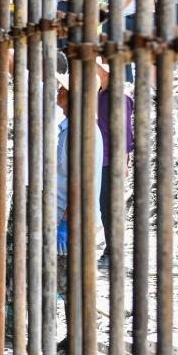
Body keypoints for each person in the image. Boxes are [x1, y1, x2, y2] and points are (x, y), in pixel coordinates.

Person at [56, 72, 104, 260]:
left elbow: (83, 180)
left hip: (74, 221)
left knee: (67, 286)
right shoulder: (69, 128)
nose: (59, 89)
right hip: (65, 216)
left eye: (65, 88)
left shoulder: (82, 130)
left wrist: (68, 221)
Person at [95, 58, 134, 267]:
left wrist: (124, 162)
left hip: (111, 160)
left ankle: (114, 252)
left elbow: (125, 134)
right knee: (104, 206)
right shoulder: (100, 93)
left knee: (110, 207)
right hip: (100, 158)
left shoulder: (119, 97)